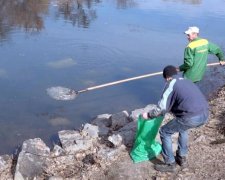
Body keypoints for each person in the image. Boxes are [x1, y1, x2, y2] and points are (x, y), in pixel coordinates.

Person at [142, 65, 209, 172]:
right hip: (205, 114)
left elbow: (162, 107)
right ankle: (181, 158)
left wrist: (149, 115)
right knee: (183, 128)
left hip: (191, 117)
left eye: (165, 79)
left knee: (164, 132)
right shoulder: (187, 81)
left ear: (166, 77)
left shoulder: (171, 83)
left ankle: (170, 164)